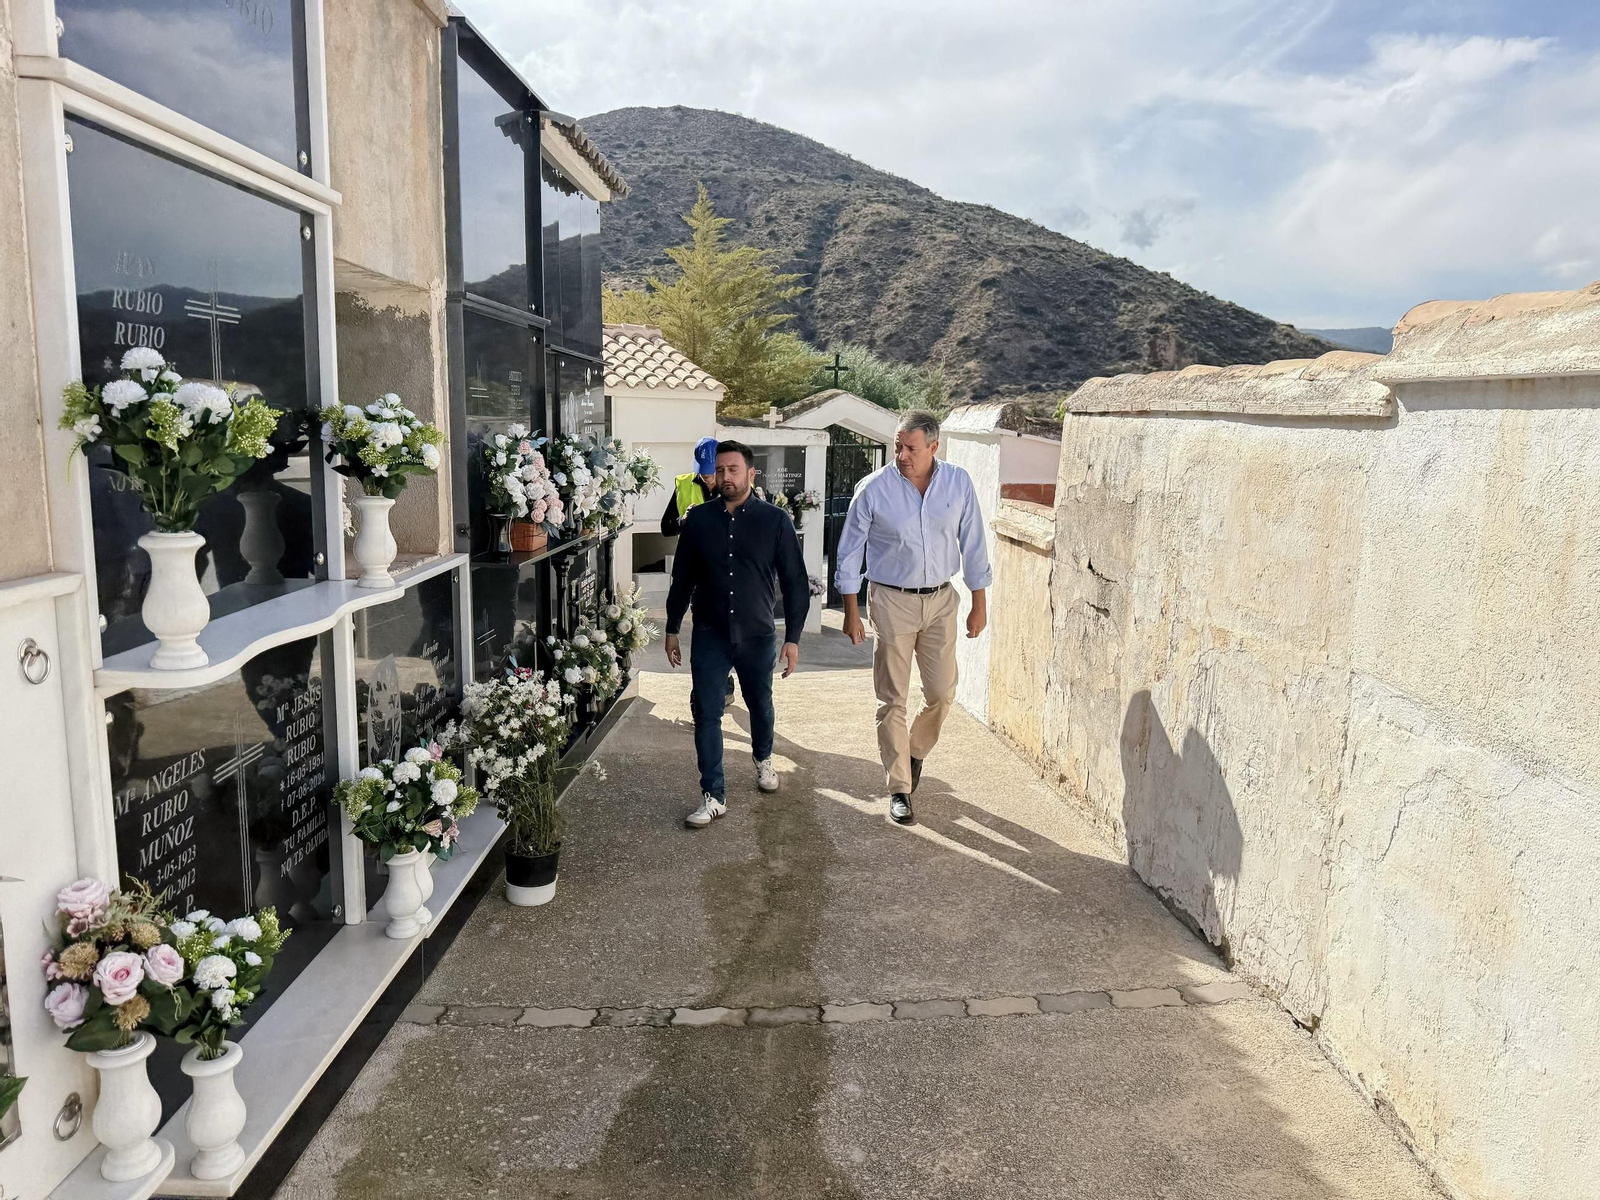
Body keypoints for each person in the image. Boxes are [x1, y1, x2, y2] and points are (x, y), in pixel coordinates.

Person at [835, 410, 991, 825]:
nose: (902, 455)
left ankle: (914, 750)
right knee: (893, 699)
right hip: (890, 601)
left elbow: (973, 543)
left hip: (942, 600)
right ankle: (899, 787)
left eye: (911, 448)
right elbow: (850, 553)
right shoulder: (873, 489)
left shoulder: (957, 483)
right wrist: (851, 613)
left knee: (942, 693)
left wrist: (980, 602)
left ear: (934, 447)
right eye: (898, 446)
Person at [665, 440, 810, 828]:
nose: (726, 477)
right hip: (710, 633)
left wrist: (793, 638)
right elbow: (682, 580)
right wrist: (672, 628)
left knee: (759, 703)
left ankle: (763, 759)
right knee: (706, 712)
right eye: (721, 470)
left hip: (757, 635)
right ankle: (713, 794)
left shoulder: (775, 521)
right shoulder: (698, 521)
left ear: (750, 473)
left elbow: (796, 582)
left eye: (734, 470)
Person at [664, 435, 735, 712]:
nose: (708, 480)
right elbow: (667, 527)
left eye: (712, 473)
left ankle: (724, 682)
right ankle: (702, 702)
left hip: (727, 570)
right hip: (695, 566)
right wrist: (685, 520)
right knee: (705, 633)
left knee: (726, 631)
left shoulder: (734, 486)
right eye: (703, 473)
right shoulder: (683, 484)